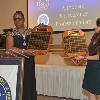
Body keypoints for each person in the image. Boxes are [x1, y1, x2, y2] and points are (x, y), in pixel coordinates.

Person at [6, 11, 37, 100]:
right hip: (17, 64)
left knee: (29, 83)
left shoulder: (31, 32)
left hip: (29, 62)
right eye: (15, 19)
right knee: (19, 85)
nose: (17, 21)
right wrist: (24, 51)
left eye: (19, 18)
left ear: (23, 20)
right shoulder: (10, 33)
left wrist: (41, 30)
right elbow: (9, 48)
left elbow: (37, 45)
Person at [82, 18, 100, 100]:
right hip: (90, 66)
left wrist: (85, 57)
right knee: (90, 91)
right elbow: (86, 44)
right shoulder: (95, 36)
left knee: (98, 92)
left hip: (97, 68)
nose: (95, 27)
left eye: (98, 26)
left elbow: (98, 57)